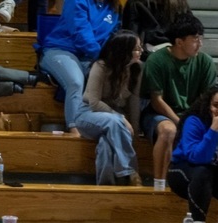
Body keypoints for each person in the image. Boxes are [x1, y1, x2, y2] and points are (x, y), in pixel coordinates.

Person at [140, 12, 217, 190]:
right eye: (195, 39)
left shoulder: (205, 62)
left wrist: (190, 121)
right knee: (168, 131)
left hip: (193, 114)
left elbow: (207, 99)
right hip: (159, 113)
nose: (200, 44)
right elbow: (156, 100)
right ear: (179, 41)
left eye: (201, 39)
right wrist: (180, 122)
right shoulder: (157, 60)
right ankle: (159, 185)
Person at [37, 0, 121, 135]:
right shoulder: (76, 1)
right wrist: (101, 57)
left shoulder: (113, 7)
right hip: (60, 50)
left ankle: (110, 128)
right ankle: (75, 129)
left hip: (90, 56)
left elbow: (114, 37)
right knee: (76, 81)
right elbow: (81, 33)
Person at [75, 29, 144, 185]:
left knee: (105, 145)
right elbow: (93, 102)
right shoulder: (100, 66)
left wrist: (135, 129)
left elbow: (134, 101)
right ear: (124, 51)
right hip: (88, 115)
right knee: (114, 122)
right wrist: (120, 118)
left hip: (115, 119)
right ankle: (131, 171)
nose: (141, 51)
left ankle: (106, 186)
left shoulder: (136, 68)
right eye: (137, 48)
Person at [167, 86, 218, 223]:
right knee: (202, 172)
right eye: (216, 106)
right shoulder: (194, 121)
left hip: (212, 174)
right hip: (183, 171)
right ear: (208, 105)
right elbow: (196, 157)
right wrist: (213, 130)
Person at [122, 0, 190, 58]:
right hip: (179, 51)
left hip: (149, 54)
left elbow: (131, 38)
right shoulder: (181, 2)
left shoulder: (135, 3)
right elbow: (191, 29)